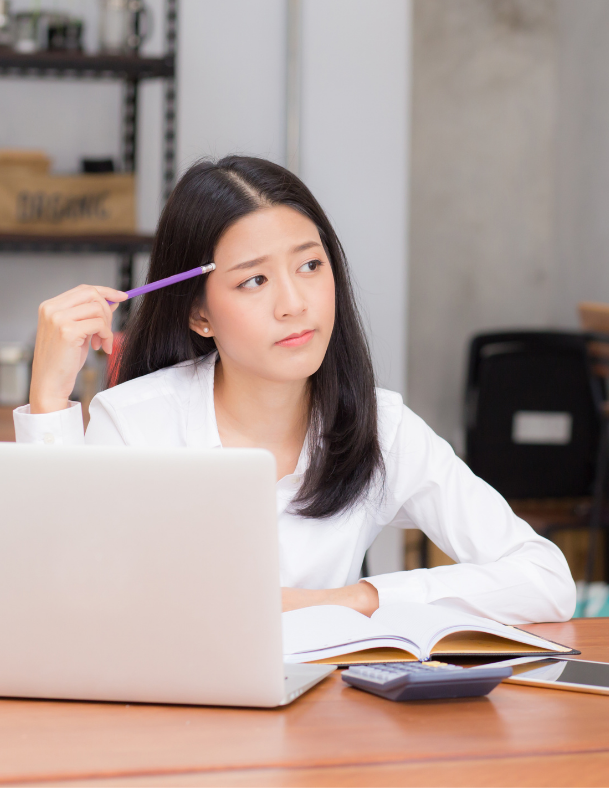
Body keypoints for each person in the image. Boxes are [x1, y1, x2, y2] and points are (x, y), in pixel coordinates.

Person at [14, 155, 576, 625]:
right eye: (254, 279)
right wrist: (48, 399)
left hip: (329, 732)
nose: (294, 303)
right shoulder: (137, 422)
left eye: (310, 265)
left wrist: (356, 598)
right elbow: (61, 604)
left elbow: (545, 581)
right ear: (199, 315)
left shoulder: (379, 427)